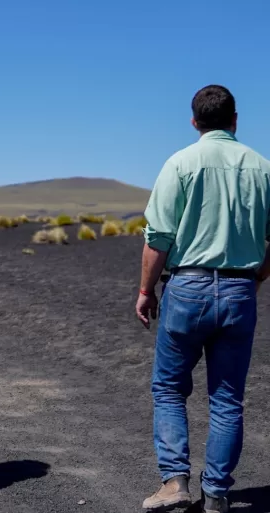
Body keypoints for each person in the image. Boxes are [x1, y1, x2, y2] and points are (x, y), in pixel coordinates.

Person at [137, 85, 270, 513]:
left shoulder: (180, 163)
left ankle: (175, 482)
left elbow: (158, 237)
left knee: (170, 388)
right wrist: (255, 280)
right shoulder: (262, 168)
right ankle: (216, 495)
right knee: (227, 397)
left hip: (187, 288)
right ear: (235, 120)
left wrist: (145, 290)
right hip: (239, 290)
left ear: (194, 122)